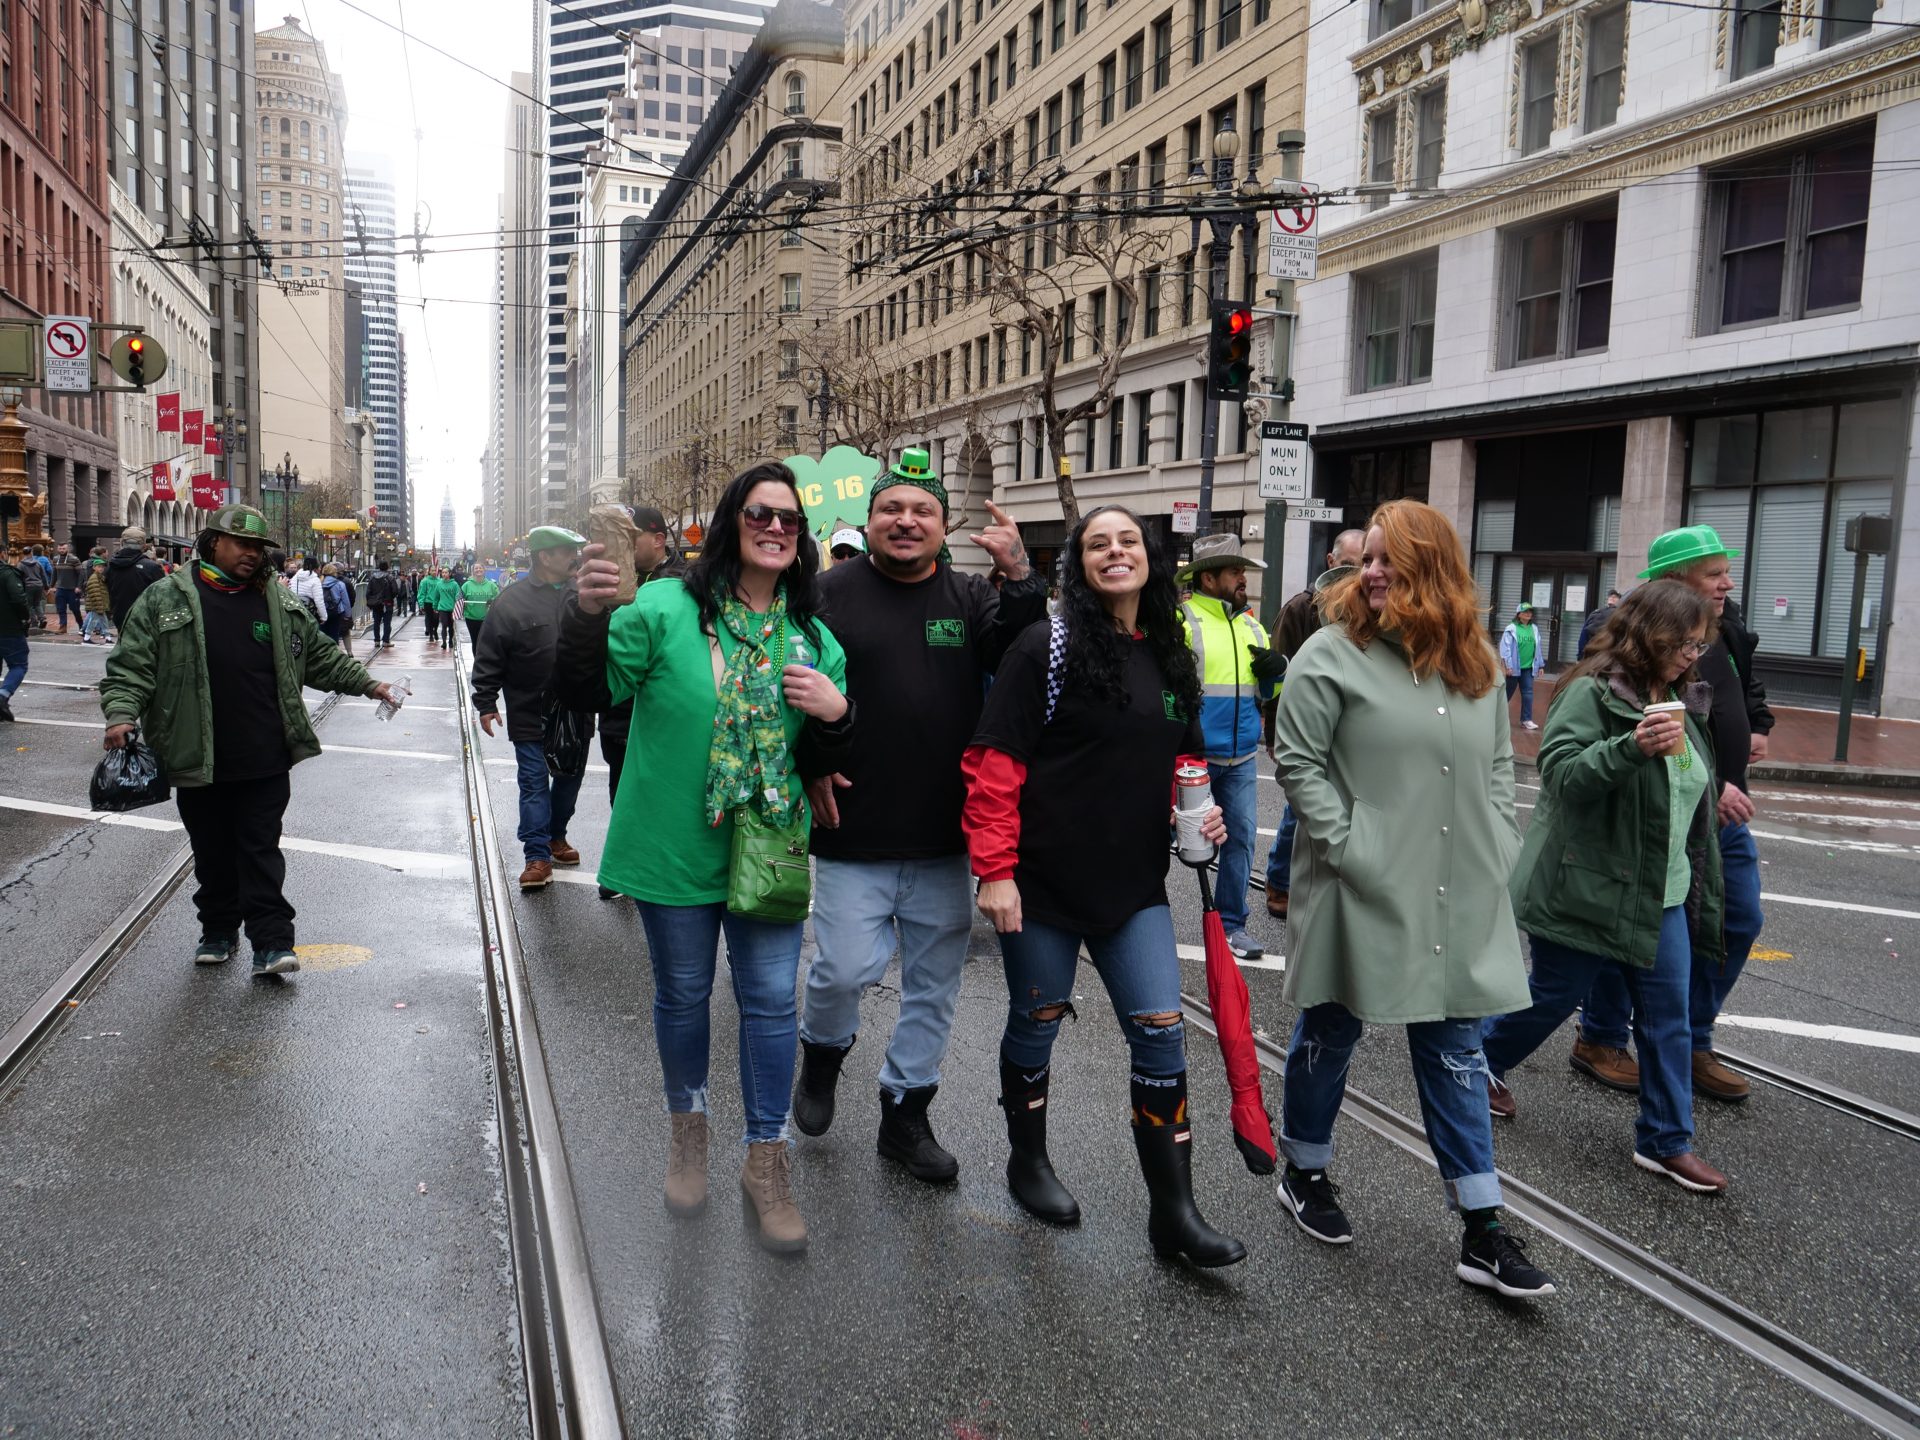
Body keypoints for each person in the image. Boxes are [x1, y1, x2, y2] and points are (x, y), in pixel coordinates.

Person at [559, 461, 853, 1254]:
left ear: (803, 538)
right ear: (731, 522)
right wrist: (587, 615)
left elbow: (827, 750)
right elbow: (590, 691)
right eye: (760, 513)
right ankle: (688, 1133)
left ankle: (767, 1159)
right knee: (684, 995)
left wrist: (839, 713)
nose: (775, 527)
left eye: (790, 519)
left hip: (768, 851)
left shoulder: (814, 637)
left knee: (769, 1002)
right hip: (672, 845)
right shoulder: (663, 607)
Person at [1270, 499, 1556, 1299]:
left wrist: (1499, 843)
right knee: (1332, 1028)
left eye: (1389, 560)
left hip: (1460, 887)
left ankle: (1482, 1226)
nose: (1371, 573)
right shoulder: (1330, 655)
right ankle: (1306, 1169)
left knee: (1458, 1048)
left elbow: (1500, 766)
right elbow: (1298, 765)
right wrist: (1353, 848)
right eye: (1367, 560)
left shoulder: (1476, 666)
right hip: (1361, 883)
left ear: (1434, 570)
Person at [960, 505, 1243, 1266]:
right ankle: (1029, 1162)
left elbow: (1187, 758)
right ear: (1079, 565)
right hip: (1043, 885)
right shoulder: (1044, 647)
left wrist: (1203, 812)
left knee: (1160, 1034)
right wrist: (994, 872)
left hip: (1134, 889)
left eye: (1128, 541)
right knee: (1038, 1021)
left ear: (1150, 558)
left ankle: (1174, 1213)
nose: (1115, 553)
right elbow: (993, 766)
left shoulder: (1171, 650)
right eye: (1098, 544)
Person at [789, 448, 1046, 1184]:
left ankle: (906, 1114)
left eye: (922, 511)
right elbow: (788, 686)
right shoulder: (825, 592)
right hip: (851, 830)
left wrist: (1023, 577)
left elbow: (1025, 652)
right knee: (843, 970)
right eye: (892, 509)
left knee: (934, 987)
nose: (906, 522)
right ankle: (824, 1053)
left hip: (943, 837)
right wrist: (809, 763)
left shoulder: (970, 597)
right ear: (867, 522)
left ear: (943, 526)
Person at [1482, 579, 1730, 1193]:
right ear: (1649, 635)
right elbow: (1561, 775)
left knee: (1668, 1016)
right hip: (1588, 885)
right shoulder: (1592, 693)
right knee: (1552, 994)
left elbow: (1688, 785)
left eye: (1699, 646)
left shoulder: (1679, 697)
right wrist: (1630, 748)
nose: (1690, 657)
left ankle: (1667, 1141)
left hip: (1661, 888)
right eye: (1683, 643)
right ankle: (1479, 1062)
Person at [99, 505, 401, 976]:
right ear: (213, 542)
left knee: (260, 848)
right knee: (213, 850)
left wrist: (371, 685)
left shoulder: (278, 602)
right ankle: (218, 930)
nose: (252, 555)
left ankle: (272, 942)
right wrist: (121, 713)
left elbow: (321, 658)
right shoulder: (165, 598)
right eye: (243, 544)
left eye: (259, 548)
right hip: (197, 755)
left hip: (264, 754)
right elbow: (131, 664)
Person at [1572, 526, 1773, 1105]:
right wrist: (1714, 777)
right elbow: (1616, 711)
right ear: (1675, 578)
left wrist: (1757, 725)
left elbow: (1743, 681)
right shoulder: (1623, 628)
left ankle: (1691, 1040)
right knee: (1629, 927)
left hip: (1715, 808)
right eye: (1714, 574)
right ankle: (1602, 1038)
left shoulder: (1725, 621)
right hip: (1655, 807)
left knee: (1738, 918)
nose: (1726, 583)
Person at [551, 505, 685, 900]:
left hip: (664, 716)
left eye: (632, 537)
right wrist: (586, 606)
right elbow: (577, 672)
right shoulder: (598, 578)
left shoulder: (685, 583)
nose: (622, 546)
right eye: (617, 537)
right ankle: (626, 863)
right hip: (617, 713)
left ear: (657, 539)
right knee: (622, 790)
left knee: (665, 794)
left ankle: (656, 868)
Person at [1177, 533, 1284, 958]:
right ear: (1208, 578)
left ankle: (1232, 925)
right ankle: (1137, 917)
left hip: (1240, 757)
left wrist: (1277, 672)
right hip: (1192, 758)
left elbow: (1268, 693)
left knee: (1239, 840)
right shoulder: (1182, 623)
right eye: (1235, 571)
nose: (1243, 578)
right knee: (1166, 838)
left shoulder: (1252, 625)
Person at [471, 528, 591, 891]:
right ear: (545, 557)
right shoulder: (511, 601)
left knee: (569, 777)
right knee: (534, 781)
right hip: (528, 709)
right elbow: (489, 654)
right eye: (568, 551)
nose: (575, 557)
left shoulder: (584, 595)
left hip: (576, 708)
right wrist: (486, 702)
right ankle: (536, 855)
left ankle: (556, 835)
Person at [1263, 528, 1365, 920]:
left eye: (1363, 565)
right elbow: (1275, 677)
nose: (1356, 574)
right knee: (1298, 808)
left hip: (1346, 726)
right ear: (1331, 562)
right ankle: (1279, 883)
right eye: (1351, 565)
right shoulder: (1299, 609)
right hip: (1306, 725)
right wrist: (1273, 733)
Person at [1499, 602, 1546, 730]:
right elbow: (1505, 649)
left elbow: (1538, 648)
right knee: (1506, 694)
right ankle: (1496, 716)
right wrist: (1508, 666)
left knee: (1528, 693)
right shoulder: (1511, 628)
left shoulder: (1534, 628)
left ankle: (1526, 720)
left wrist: (1540, 665)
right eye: (1525, 612)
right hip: (1513, 668)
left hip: (1528, 668)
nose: (1528, 614)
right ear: (1519, 614)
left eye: (1530, 612)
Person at [0, 545, 30, 720]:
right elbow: (18, 598)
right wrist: (25, 618)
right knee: (18, 665)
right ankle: (3, 696)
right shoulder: (7, 573)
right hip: (8, 627)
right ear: (2, 553)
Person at [459, 567, 501, 647]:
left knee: (485, 641)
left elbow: (499, 598)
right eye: (476, 568)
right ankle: (476, 659)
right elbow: (459, 598)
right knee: (475, 640)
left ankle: (484, 658)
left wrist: (492, 600)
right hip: (471, 618)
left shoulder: (491, 585)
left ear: (484, 570)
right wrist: (462, 603)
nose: (478, 570)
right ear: (473, 571)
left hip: (487, 618)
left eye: (480, 568)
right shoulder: (467, 585)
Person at [1576, 587, 1622, 659]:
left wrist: (1580, 656)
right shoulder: (1597, 613)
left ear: (1620, 601)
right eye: (1610, 596)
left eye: (1615, 597)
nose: (1612, 598)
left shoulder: (1597, 613)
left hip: (1599, 655)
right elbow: (1584, 634)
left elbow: (1583, 636)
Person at [365, 558, 399, 649]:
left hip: (376, 604)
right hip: (387, 603)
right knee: (387, 623)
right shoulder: (390, 578)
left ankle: (376, 640)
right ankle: (385, 641)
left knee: (376, 622)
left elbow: (368, 592)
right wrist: (390, 598)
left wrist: (370, 602)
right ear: (387, 568)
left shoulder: (372, 578)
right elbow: (395, 590)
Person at [50, 544, 83, 634]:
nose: (61, 550)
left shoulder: (74, 559)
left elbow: (81, 574)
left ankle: (81, 625)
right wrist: (51, 586)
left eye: (63, 548)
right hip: (60, 588)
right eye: (60, 548)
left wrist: (79, 587)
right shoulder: (55, 559)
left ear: (67, 549)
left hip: (72, 589)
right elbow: (54, 573)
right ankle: (63, 627)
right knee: (61, 609)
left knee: (75, 609)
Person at [321, 564, 353, 655]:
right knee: (334, 634)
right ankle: (334, 655)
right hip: (337, 612)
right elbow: (345, 601)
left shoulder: (320, 583)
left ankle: (324, 654)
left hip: (323, 612)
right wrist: (348, 615)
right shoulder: (340, 584)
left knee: (323, 634)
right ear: (334, 573)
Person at [82, 558, 114, 644]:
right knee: (93, 620)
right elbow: (95, 593)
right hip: (97, 604)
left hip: (99, 604)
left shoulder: (100, 577)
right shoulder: (94, 578)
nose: (101, 568)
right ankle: (86, 637)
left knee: (103, 621)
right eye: (99, 567)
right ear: (94, 567)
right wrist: (99, 606)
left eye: (102, 567)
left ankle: (107, 637)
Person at [290, 555, 327, 626]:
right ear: (315, 568)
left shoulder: (295, 577)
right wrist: (323, 617)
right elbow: (319, 600)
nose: (320, 569)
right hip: (309, 614)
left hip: (295, 612)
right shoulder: (315, 580)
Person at [21, 543, 47, 630]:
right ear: (31, 552)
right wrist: (46, 586)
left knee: (29, 605)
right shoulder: (38, 563)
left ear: (23, 553)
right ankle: (42, 618)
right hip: (39, 585)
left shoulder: (21, 564)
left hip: (28, 586)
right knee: (37, 603)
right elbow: (43, 575)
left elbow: (19, 576)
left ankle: (34, 622)